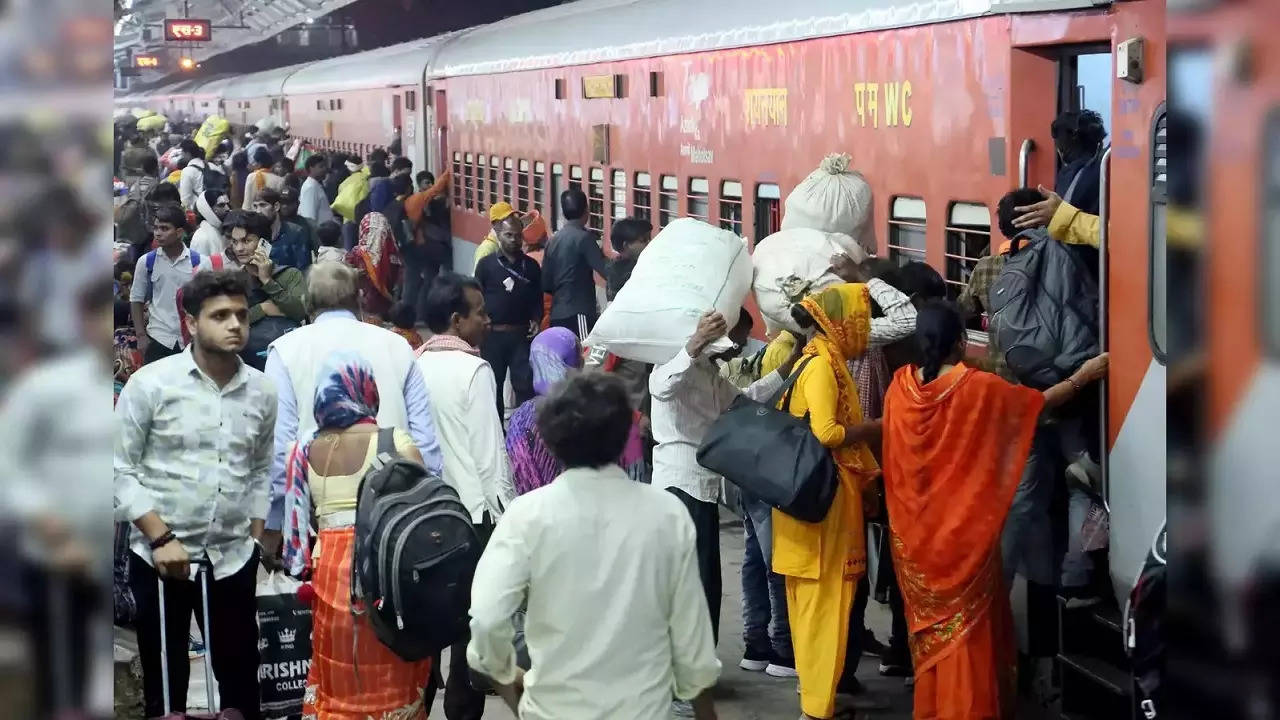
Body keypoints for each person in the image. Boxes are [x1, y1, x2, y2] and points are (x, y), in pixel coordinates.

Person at [880, 300, 1108, 720]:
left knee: (935, 637)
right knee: (969, 636)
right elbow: (1035, 405)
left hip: (916, 542)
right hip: (966, 540)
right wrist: (1083, 376)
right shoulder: (977, 387)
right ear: (962, 341)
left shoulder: (900, 388)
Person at [467, 372, 722, 720]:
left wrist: (507, 680)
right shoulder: (667, 514)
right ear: (623, 438)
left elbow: (486, 618)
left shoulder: (526, 515)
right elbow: (692, 641)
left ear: (552, 441)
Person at [115, 269, 278, 720]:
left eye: (241, 315)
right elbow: (117, 468)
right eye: (220, 315)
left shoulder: (262, 391)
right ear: (190, 323)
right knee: (167, 693)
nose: (235, 325)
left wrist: (257, 536)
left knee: (242, 686)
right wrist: (160, 537)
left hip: (231, 559)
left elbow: (263, 467)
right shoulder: (151, 384)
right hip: (162, 558)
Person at [649, 309, 806, 689]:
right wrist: (695, 341)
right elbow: (662, 386)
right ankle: (685, 671)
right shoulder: (672, 365)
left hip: (701, 486)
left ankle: (694, 664)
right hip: (678, 485)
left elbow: (745, 401)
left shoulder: (709, 374)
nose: (736, 346)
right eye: (732, 337)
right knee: (691, 581)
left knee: (705, 580)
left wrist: (790, 365)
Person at [279, 350, 435, 719]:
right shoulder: (394, 442)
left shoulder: (302, 448)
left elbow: (299, 533)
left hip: (330, 573)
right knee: (390, 669)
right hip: (384, 572)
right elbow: (425, 515)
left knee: (339, 674)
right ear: (365, 387)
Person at [260, 262, 444, 558]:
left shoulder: (284, 351)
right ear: (359, 299)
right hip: (395, 518)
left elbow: (281, 450)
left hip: (322, 525)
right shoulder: (397, 345)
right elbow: (426, 444)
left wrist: (279, 523)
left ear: (308, 304)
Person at [769, 284, 882, 720]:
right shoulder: (821, 367)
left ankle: (816, 701)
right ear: (840, 322)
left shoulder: (817, 357)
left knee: (812, 607)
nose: (864, 330)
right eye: (860, 320)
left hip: (808, 502)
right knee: (825, 607)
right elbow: (828, 433)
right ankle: (817, 709)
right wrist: (874, 428)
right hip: (824, 506)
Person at [4, 278, 114, 718]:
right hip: (59, 553)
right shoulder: (49, 386)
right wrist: (43, 519)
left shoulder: (140, 382)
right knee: (62, 675)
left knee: (114, 670)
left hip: (119, 553)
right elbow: (9, 458)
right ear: (87, 322)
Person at [414, 273, 514, 717]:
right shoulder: (474, 369)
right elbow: (490, 456)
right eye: (480, 313)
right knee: (467, 635)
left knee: (422, 632)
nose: (488, 321)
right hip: (469, 518)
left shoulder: (410, 365)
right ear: (457, 321)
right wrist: (507, 518)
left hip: (418, 517)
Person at [507, 327, 647, 495]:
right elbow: (634, 473)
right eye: (579, 354)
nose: (583, 359)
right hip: (607, 509)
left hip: (545, 513)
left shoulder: (519, 420)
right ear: (573, 362)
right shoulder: (605, 407)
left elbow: (521, 477)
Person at [474, 214, 542, 417]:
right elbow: (477, 298)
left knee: (524, 385)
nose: (514, 239)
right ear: (498, 235)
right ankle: (497, 435)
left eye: (517, 235)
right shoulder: (486, 265)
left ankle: (523, 433)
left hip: (521, 335)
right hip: (493, 336)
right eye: (508, 235)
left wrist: (537, 319)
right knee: (493, 386)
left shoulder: (531, 266)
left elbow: (537, 298)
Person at [221, 210, 307, 370]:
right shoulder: (234, 281)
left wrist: (267, 281)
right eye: (235, 242)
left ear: (264, 243)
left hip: (289, 362)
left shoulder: (289, 275)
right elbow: (229, 323)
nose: (239, 248)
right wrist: (263, 308)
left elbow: (300, 311)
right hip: (247, 365)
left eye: (246, 241)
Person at [129, 204, 198, 364]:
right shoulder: (146, 262)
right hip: (158, 338)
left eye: (165, 228)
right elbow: (136, 299)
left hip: (191, 340)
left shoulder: (198, 262)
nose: (158, 233)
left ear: (179, 232)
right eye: (156, 228)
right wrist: (141, 337)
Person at [542, 188, 608, 339]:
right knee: (581, 355)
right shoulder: (585, 239)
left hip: (557, 314)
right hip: (579, 313)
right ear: (587, 210)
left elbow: (545, 284)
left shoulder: (552, 241)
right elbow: (605, 271)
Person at [346, 211, 402, 322]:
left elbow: (343, 273)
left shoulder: (357, 252)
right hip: (382, 312)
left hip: (368, 311)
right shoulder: (394, 254)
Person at [253, 187, 312, 274]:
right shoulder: (254, 234)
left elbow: (304, 270)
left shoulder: (295, 233)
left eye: (263, 205)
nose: (258, 211)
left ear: (276, 206)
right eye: (255, 206)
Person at [606, 216, 652, 301]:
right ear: (626, 245)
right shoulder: (623, 271)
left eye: (649, 239)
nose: (649, 243)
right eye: (643, 240)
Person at [178, 139, 225, 210]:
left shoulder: (187, 171)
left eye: (182, 152)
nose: (181, 155)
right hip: (219, 209)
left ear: (187, 153)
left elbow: (185, 200)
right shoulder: (213, 166)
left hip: (200, 211)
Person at [473, 201, 515, 271]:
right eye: (503, 220)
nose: (508, 224)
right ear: (494, 224)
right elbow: (478, 279)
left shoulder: (508, 243)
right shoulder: (486, 249)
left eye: (511, 219)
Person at [189, 189, 231, 258]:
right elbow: (198, 267)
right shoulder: (201, 238)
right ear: (208, 209)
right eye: (221, 205)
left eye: (227, 204)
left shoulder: (226, 229)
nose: (227, 208)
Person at [242, 146, 284, 211]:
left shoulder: (251, 176)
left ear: (259, 164)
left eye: (255, 162)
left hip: (251, 215)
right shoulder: (280, 180)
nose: (253, 164)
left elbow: (247, 201)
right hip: (270, 216)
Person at [299, 153, 333, 224]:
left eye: (325, 166)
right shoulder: (311, 188)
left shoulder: (315, 185)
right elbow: (309, 217)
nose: (324, 169)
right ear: (311, 168)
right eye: (321, 167)